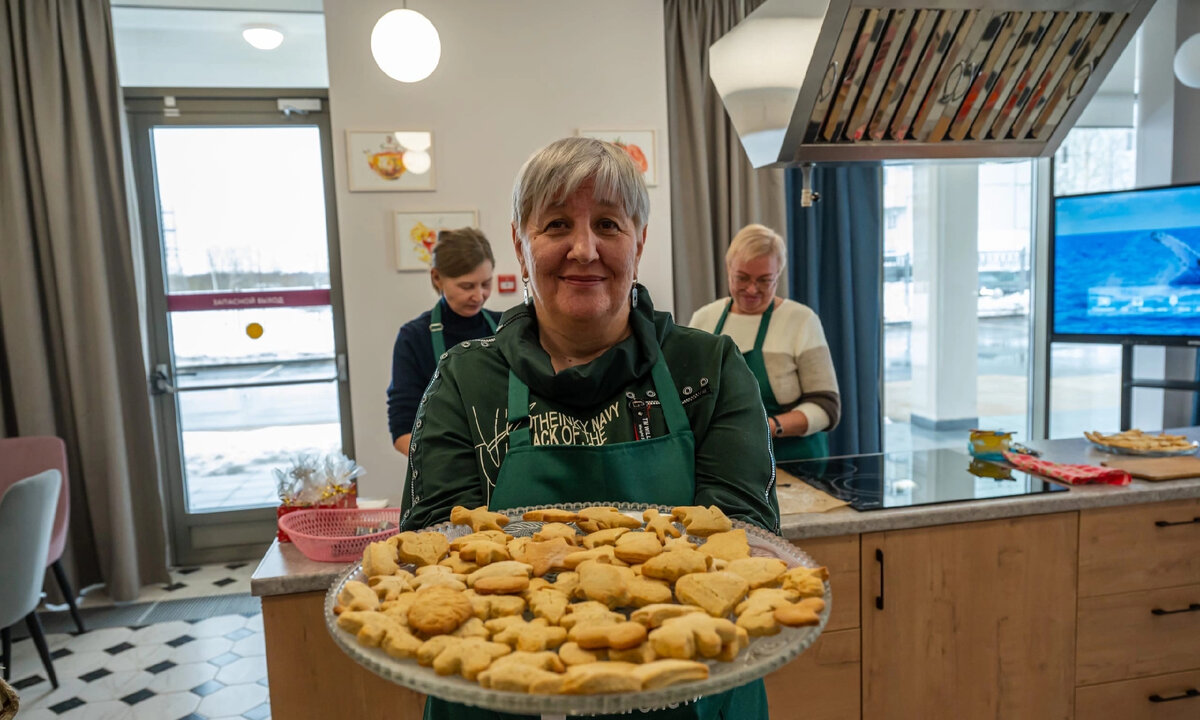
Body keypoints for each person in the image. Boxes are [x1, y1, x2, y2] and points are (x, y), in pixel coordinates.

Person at [400, 137, 778, 720]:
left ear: (640, 242)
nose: (584, 249)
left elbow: (742, 540)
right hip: (501, 689)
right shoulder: (464, 381)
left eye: (607, 223)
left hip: (690, 689)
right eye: (555, 225)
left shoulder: (708, 369)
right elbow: (431, 558)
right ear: (521, 249)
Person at [688, 224, 840, 462]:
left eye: (764, 280)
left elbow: (827, 408)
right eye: (742, 278)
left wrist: (769, 427)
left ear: (778, 274)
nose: (751, 289)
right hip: (726, 459)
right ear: (729, 269)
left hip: (792, 461)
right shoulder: (705, 318)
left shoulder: (801, 320)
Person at [387, 227, 501, 455]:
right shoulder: (414, 337)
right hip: (446, 469)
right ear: (437, 277)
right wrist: (446, 465)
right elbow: (402, 430)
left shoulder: (505, 327)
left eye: (486, 284)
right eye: (467, 286)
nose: (479, 296)